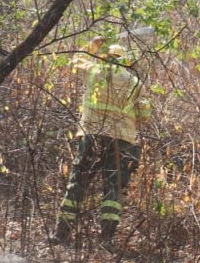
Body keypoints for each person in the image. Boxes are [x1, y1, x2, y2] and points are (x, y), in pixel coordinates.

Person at [51, 38, 149, 246]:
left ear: (106, 57)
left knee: (78, 182)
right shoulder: (135, 82)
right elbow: (144, 115)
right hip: (121, 141)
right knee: (113, 188)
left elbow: (75, 61)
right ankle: (106, 238)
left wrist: (92, 44)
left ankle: (61, 233)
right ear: (126, 61)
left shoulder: (95, 71)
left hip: (92, 136)